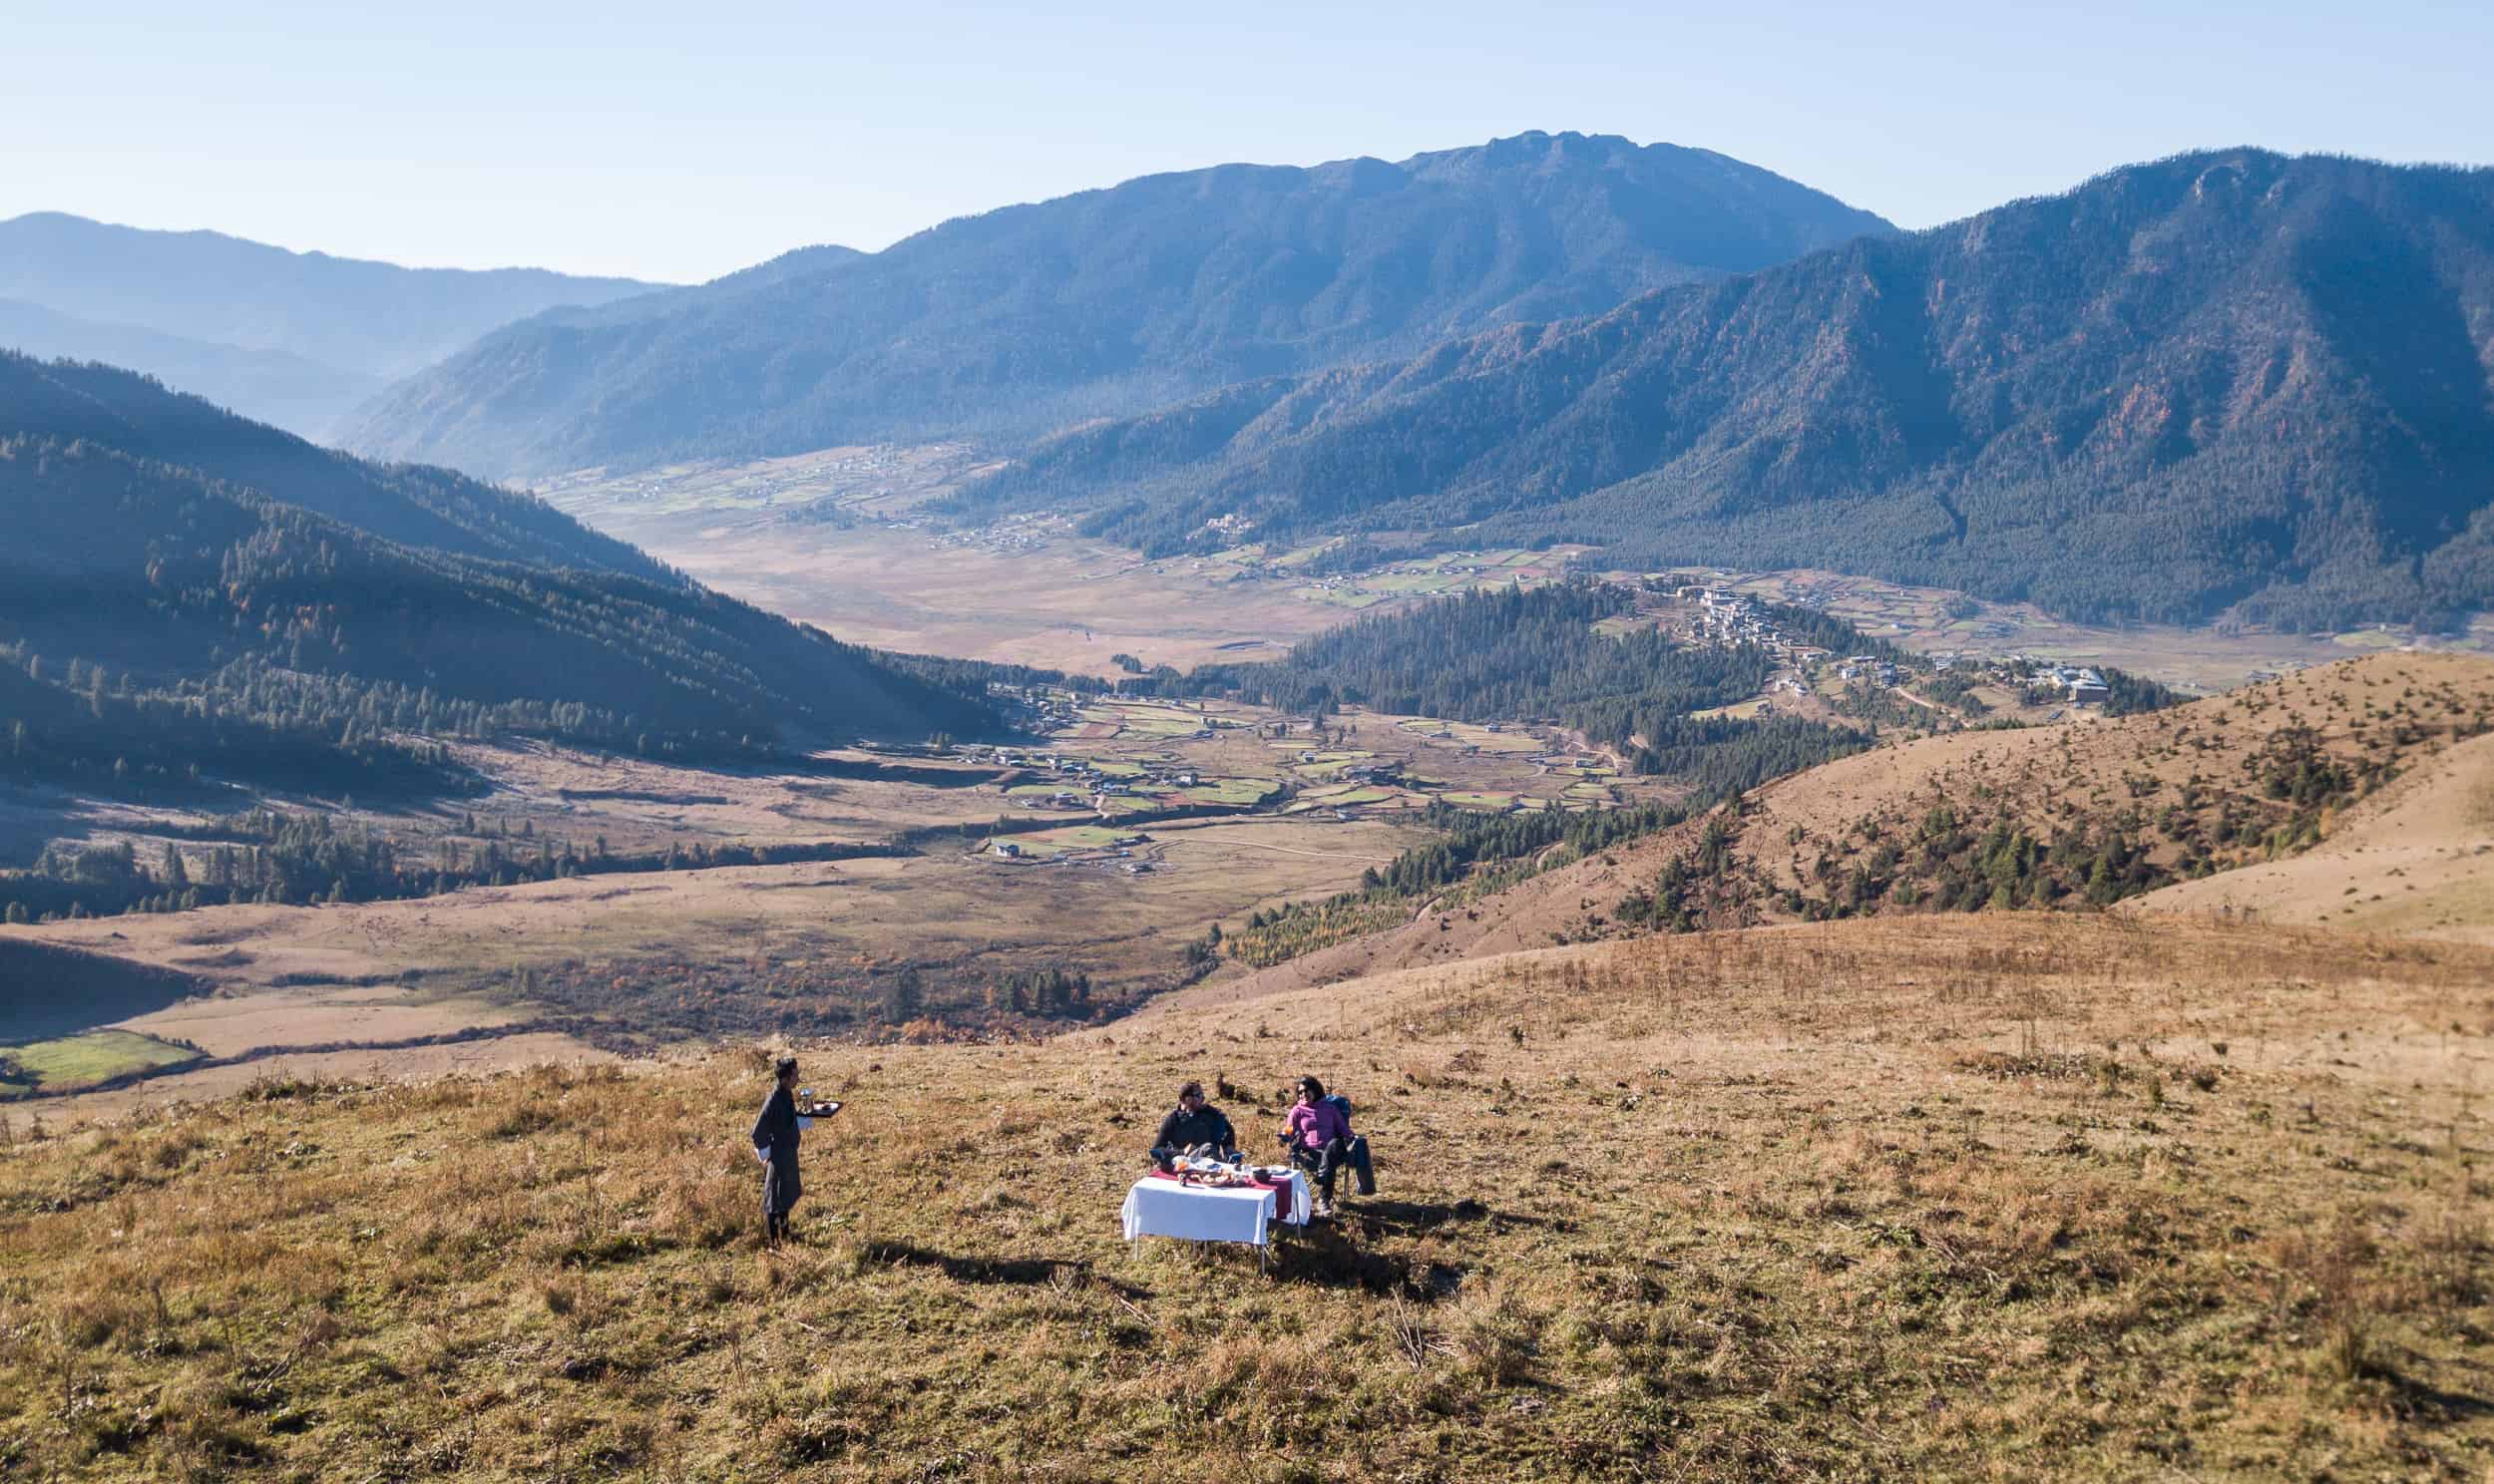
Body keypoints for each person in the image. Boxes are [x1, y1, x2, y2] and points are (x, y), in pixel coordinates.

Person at [1281, 1074, 1374, 1217]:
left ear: (1315, 1090)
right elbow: (1289, 1128)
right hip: (1310, 1151)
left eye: (1306, 1091)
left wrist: (1353, 1138)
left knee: (1334, 1145)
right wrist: (1284, 1135)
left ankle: (1322, 1181)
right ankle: (1324, 1200)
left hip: (1333, 1150)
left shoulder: (1330, 1109)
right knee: (1328, 1160)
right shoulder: (1297, 1111)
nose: (1303, 1095)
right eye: (1300, 1092)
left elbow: (1343, 1129)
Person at [750, 1055, 804, 1245]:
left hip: (788, 1152)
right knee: (773, 1197)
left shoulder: (786, 1094)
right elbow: (757, 1133)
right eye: (794, 1075)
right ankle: (774, 1241)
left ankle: (786, 1234)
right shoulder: (773, 1101)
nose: (797, 1078)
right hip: (778, 1155)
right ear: (784, 1079)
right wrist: (765, 1154)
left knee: (785, 1194)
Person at [1149, 1080, 1238, 1168]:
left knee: (1208, 1148)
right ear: (1186, 1099)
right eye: (1198, 1095)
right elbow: (1156, 1150)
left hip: (1210, 1163)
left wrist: (1229, 1147)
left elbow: (1228, 1131)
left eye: (1202, 1095)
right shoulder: (1173, 1119)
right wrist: (1182, 1152)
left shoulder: (1211, 1114)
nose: (1203, 1099)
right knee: (1207, 1148)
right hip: (1185, 1164)